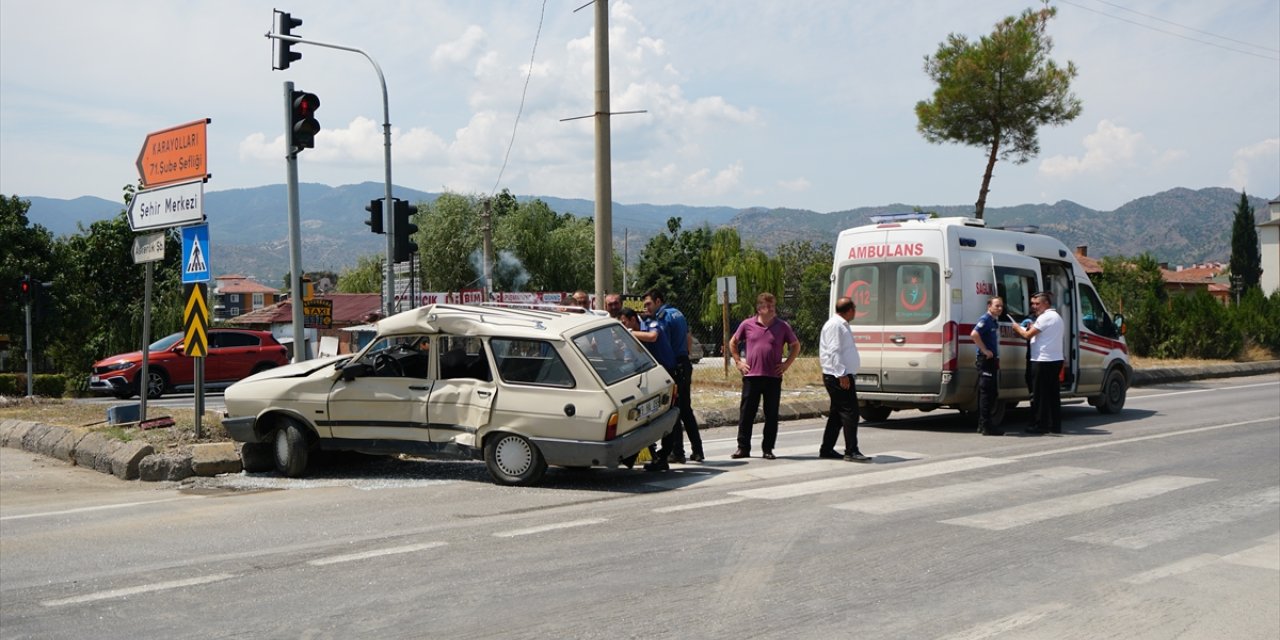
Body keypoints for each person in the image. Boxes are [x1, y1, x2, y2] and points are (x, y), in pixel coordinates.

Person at [728, 292, 800, 459]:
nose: (772, 309)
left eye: (773, 306)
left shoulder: (782, 326)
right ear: (759, 308)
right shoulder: (747, 324)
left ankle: (768, 448)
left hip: (773, 376)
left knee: (772, 414)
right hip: (752, 376)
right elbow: (733, 342)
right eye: (768, 306)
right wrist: (738, 361)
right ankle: (743, 448)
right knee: (747, 413)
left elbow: (795, 345)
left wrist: (786, 364)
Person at [640, 289, 704, 467]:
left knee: (673, 410)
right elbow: (688, 337)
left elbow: (660, 341)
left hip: (674, 365)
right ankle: (697, 450)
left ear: (658, 301)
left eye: (648, 304)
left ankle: (677, 452)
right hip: (684, 362)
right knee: (685, 409)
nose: (647, 308)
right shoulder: (677, 313)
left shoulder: (662, 317)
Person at [622, 306, 677, 471]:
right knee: (644, 415)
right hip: (647, 377)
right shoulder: (632, 334)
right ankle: (649, 455)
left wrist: (625, 333)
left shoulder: (650, 323)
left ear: (632, 320)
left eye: (625, 323)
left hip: (667, 374)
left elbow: (653, 337)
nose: (624, 326)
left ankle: (665, 456)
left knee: (668, 415)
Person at [819, 297, 872, 462]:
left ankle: (827, 449)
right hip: (838, 376)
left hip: (840, 374)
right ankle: (851, 450)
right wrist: (841, 374)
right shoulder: (836, 325)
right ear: (850, 310)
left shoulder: (841, 324)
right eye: (854, 308)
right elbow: (834, 351)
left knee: (837, 414)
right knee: (850, 412)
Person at [1012, 291, 1064, 434]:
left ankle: (1040, 425)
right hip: (1055, 359)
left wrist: (1017, 328)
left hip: (1042, 360)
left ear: (1046, 303)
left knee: (1040, 395)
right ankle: (1055, 425)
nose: (1034, 306)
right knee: (1053, 394)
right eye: (1032, 304)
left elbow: (1027, 335)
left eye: (1037, 303)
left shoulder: (1044, 318)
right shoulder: (1057, 317)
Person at [970, 297, 1006, 436]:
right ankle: (987, 425)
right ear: (989, 306)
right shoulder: (985, 319)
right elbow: (974, 334)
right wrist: (984, 350)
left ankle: (982, 424)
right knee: (986, 394)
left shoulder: (993, 321)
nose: (1000, 308)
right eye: (997, 306)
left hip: (992, 361)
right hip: (985, 360)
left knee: (992, 393)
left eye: (1001, 306)